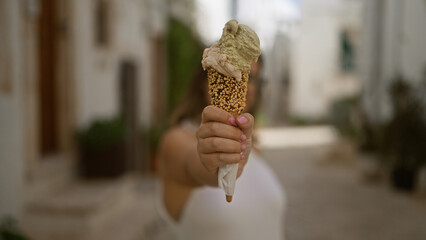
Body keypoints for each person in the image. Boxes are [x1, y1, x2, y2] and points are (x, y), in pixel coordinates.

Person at [155, 57, 286, 240]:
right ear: (204, 80)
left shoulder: (252, 148)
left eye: (252, 78)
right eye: (230, 74)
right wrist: (216, 163)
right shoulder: (175, 141)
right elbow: (196, 163)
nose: (243, 85)